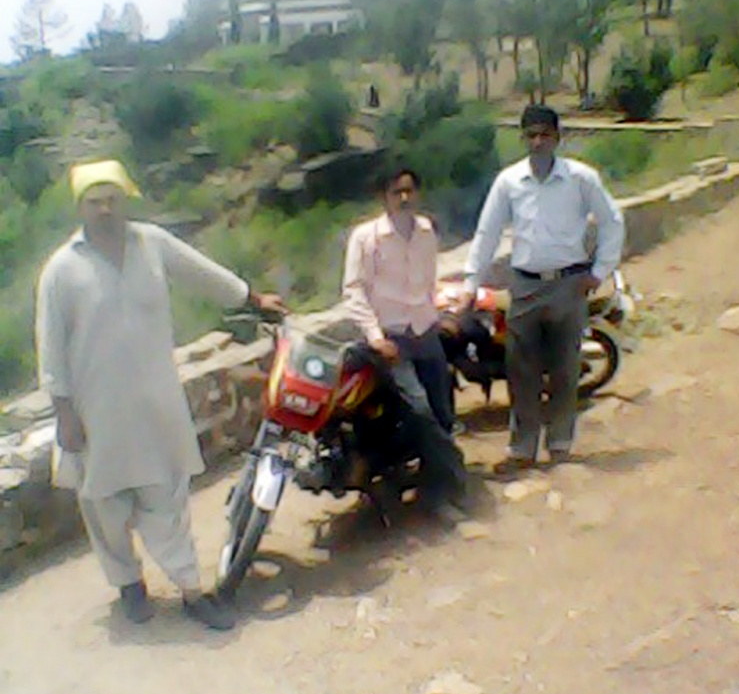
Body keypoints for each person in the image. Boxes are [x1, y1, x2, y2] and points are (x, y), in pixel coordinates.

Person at [35, 160, 285, 629]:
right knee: (105, 505)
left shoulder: (150, 243)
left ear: (125, 199)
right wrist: (64, 412)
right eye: (95, 201)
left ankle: (192, 591)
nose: (105, 209)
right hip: (97, 411)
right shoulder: (62, 271)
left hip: (155, 403)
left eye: (113, 199)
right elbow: (50, 348)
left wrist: (251, 298)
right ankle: (129, 584)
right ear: (81, 207)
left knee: (167, 498)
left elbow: (203, 274)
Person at [460, 105, 624, 464]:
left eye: (544, 135)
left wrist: (600, 271)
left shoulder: (581, 179)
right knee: (522, 371)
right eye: (531, 135)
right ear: (523, 139)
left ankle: (561, 444)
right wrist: (471, 282)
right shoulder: (509, 182)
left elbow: (613, 221)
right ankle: (522, 448)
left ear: (557, 138)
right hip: (525, 285)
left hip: (569, 283)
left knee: (565, 368)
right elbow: (487, 233)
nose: (538, 142)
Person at [342, 166, 467, 512]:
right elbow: (353, 291)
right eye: (397, 192)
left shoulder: (426, 231)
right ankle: (455, 485)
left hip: (424, 332)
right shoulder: (366, 238)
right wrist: (375, 337)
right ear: (385, 196)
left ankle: (433, 486)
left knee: (443, 412)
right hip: (390, 341)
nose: (404, 198)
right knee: (422, 411)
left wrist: (440, 315)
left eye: (410, 190)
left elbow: (427, 282)